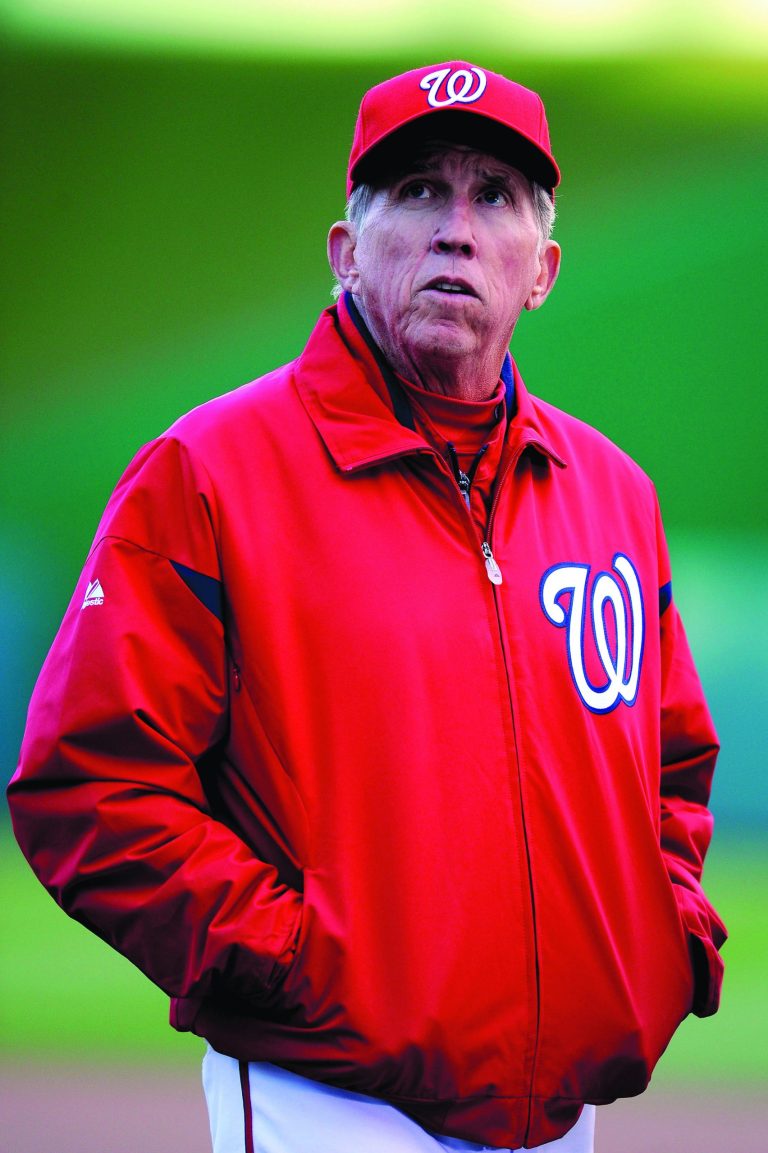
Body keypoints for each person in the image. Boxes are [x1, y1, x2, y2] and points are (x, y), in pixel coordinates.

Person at [8, 61, 726, 1153]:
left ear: (544, 267)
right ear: (347, 250)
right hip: (330, 1098)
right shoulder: (211, 473)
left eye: (495, 196)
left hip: (561, 1115)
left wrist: (661, 939)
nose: (456, 229)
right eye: (417, 192)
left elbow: (670, 770)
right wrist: (302, 960)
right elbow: (89, 782)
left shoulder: (612, 494)